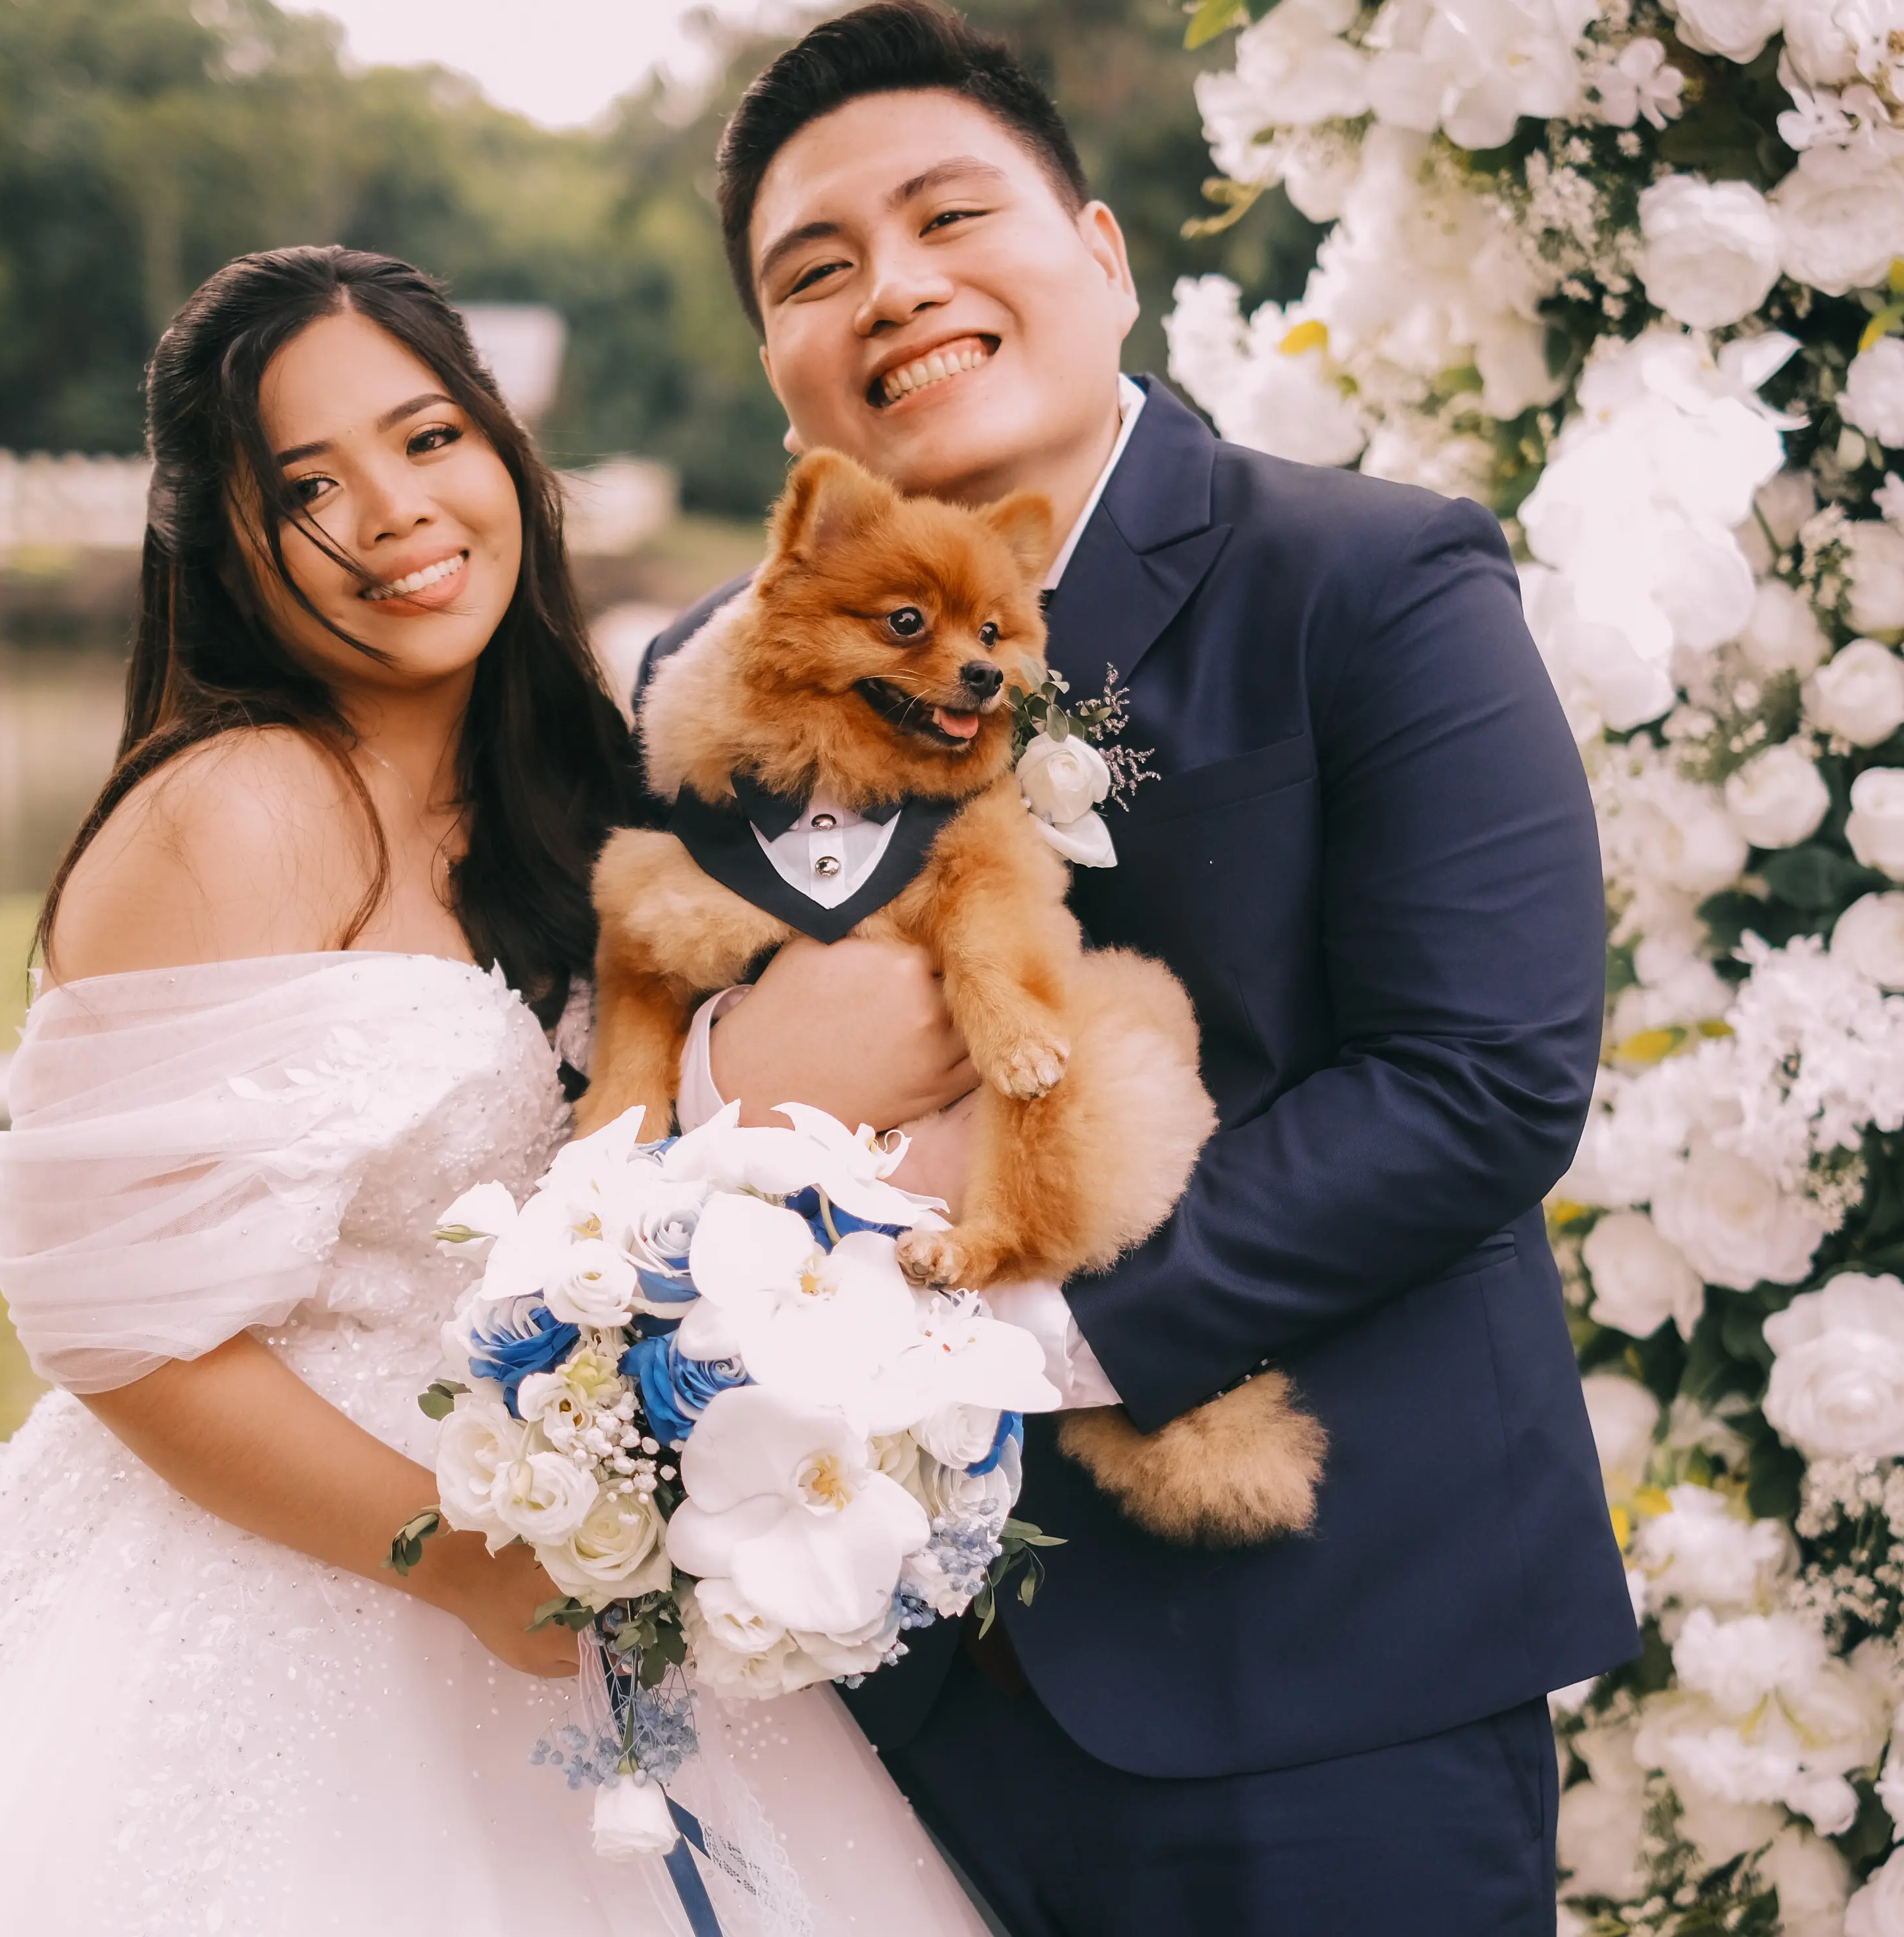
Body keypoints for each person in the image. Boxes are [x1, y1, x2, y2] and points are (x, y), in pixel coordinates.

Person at [0, 246, 991, 1937]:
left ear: (506, 454)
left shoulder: (590, 784)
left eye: (429, 439)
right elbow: (121, 1329)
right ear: (224, 536)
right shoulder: (232, 811)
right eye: (309, 484)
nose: (393, 512)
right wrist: (460, 1559)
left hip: (605, 1581)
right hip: (306, 1594)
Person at [635, 8, 1641, 1932]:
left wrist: (986, 1343)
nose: (894, 291)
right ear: (780, 368)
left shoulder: (1372, 582)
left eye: (947, 217)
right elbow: (659, 1036)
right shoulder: (713, 678)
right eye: (814, 271)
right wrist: (725, 1118)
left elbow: (1479, 1081)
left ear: (1102, 256)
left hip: (1326, 1687)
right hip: (870, 1723)